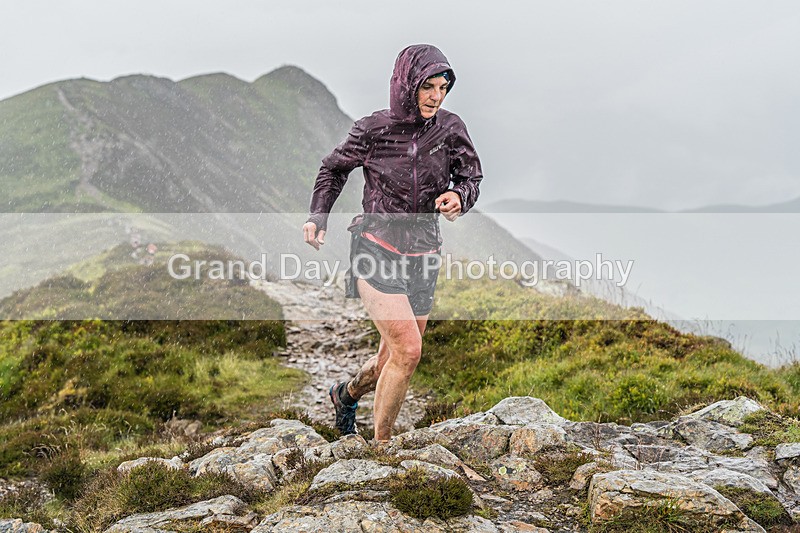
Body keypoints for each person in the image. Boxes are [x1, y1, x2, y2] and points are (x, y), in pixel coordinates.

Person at [303, 44, 483, 442]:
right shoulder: (373, 129)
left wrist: (459, 198)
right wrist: (319, 215)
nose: (437, 97)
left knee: (391, 355)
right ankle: (382, 449)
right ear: (407, 86)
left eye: (443, 87)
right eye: (428, 87)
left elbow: (471, 178)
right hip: (376, 247)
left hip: (424, 253)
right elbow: (332, 169)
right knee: (408, 351)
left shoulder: (451, 129)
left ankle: (345, 395)